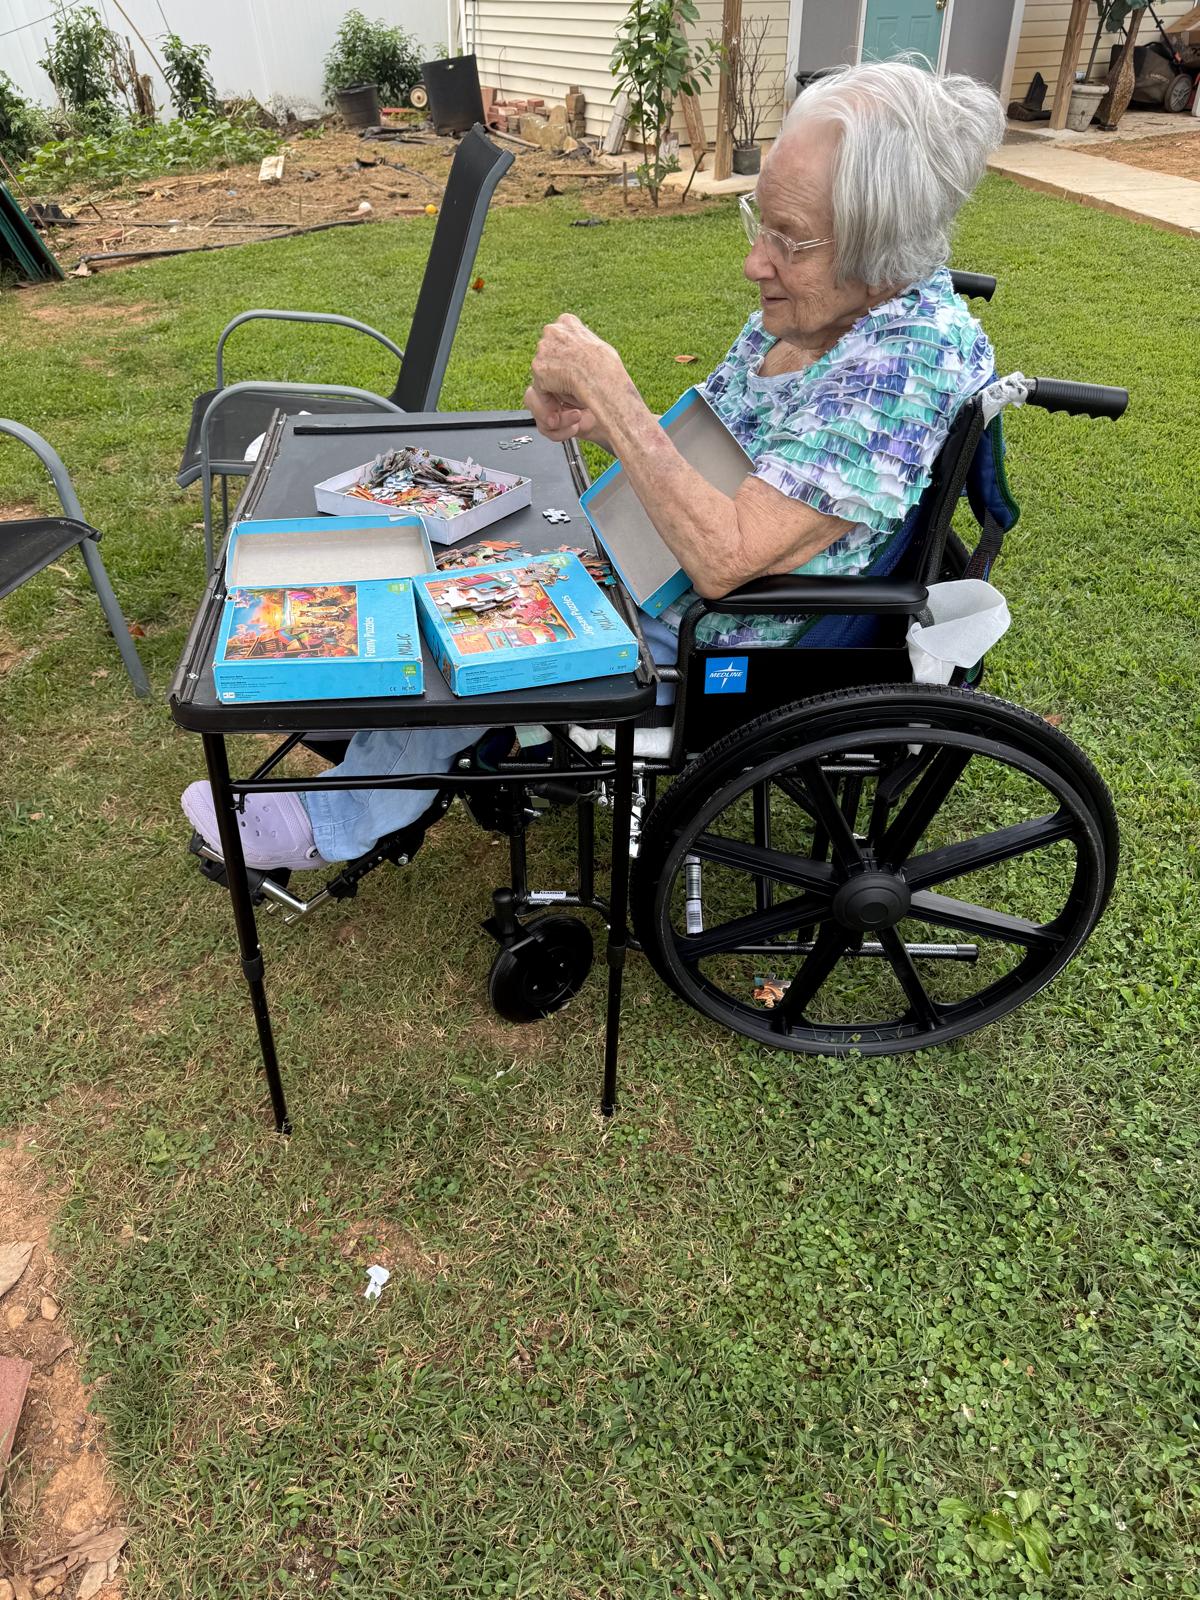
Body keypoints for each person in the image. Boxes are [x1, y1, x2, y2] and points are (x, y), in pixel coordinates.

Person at [182, 58, 1005, 872]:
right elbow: (715, 453)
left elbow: (729, 558)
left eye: (789, 240)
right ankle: (366, 728)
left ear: (880, 246)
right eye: (762, 224)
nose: (756, 262)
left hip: (712, 638)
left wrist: (620, 403)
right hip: (651, 563)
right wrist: (603, 424)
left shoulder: (902, 366)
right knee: (445, 548)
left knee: (478, 606)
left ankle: (343, 819)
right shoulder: (824, 310)